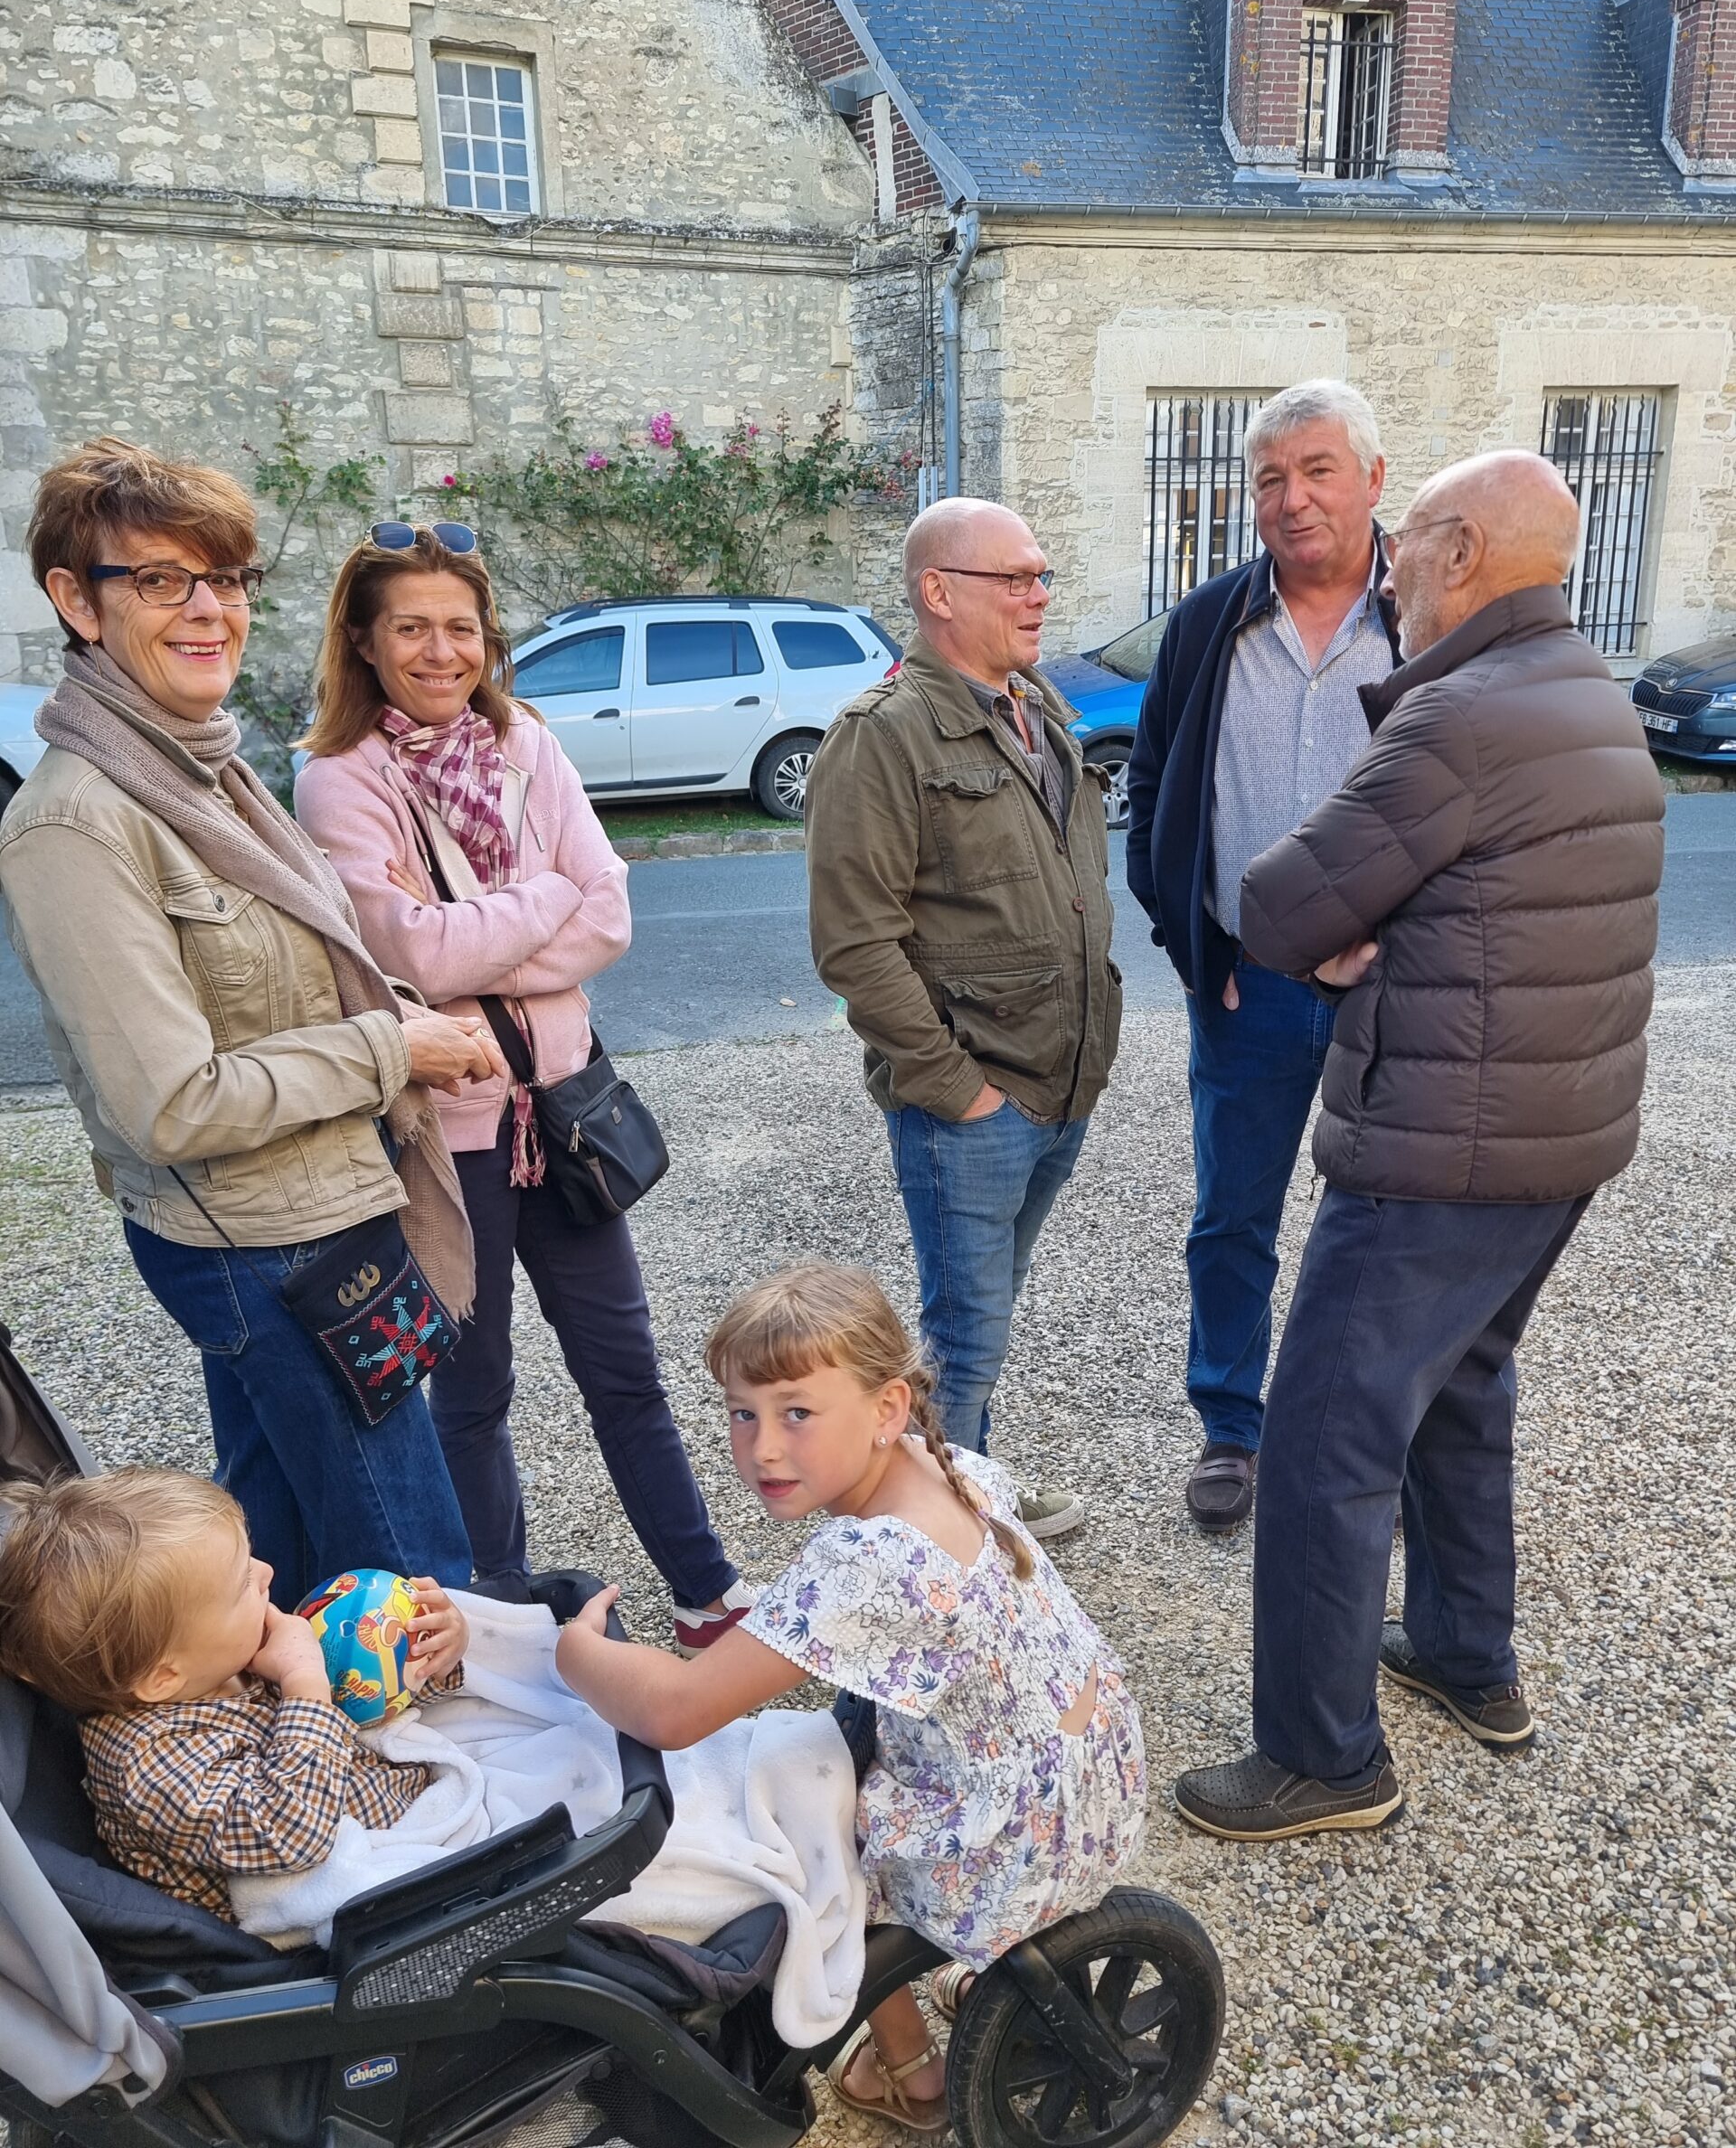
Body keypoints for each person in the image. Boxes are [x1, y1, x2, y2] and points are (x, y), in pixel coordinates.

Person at [1174, 450, 1665, 1842]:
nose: (1388, 571)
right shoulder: (1588, 692)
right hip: (1557, 1135)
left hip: (1441, 1141)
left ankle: (1322, 1758)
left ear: (1460, 552)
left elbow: (1280, 907)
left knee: (1328, 1439)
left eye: (1405, 548)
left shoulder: (1460, 716)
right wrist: (1385, 930)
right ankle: (1464, 1653)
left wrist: (1348, 947)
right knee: (1463, 1388)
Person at [0, 440, 504, 1606]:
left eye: (226, 578)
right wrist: (394, 1047)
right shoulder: (76, 822)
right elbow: (169, 1102)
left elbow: (289, 980)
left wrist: (390, 1011)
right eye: (160, 579)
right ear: (76, 600)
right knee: (412, 1579)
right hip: (264, 1245)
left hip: (319, 1211)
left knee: (275, 1551)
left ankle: (285, 1719)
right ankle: (423, 1731)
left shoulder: (203, 772)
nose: (209, 609)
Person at [295, 524, 750, 1655]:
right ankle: (491, 1617)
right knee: (473, 1389)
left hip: (565, 1113)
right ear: (364, 640)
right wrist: (544, 895)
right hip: (451, 1135)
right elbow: (410, 950)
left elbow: (611, 912)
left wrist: (487, 930)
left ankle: (707, 1594)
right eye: (411, 627)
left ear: (487, 638)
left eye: (461, 627)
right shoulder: (338, 780)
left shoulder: (526, 743)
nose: (440, 651)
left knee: (626, 1371)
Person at [555, 1263, 1145, 2131]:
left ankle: (911, 2069)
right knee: (814, 1764)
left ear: (887, 1409)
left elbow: (675, 1710)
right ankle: (969, 1970)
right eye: (743, 1413)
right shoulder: (946, 1465)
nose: (762, 1448)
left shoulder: (871, 1565)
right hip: (1083, 1768)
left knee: (814, 1842)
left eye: (796, 1412)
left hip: (1012, 1834)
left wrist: (577, 1654)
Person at [804, 498, 1122, 1540]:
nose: (1039, 596)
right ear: (939, 592)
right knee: (963, 1339)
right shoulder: (882, 736)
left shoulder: (1035, 708)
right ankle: (941, 1538)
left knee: (984, 1318)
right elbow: (855, 944)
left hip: (1059, 1084)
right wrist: (960, 1090)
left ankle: (962, 1486)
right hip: (976, 1102)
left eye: (1042, 576)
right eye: (1014, 578)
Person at [1125, 381, 1401, 1534]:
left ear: (1373, 478)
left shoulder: (1430, 619)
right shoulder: (1207, 625)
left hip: (1397, 995)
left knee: (1388, 1224)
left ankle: (1366, 1437)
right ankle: (1231, 1428)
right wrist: (1195, 949)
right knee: (1233, 1219)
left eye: (1318, 470)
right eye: (1270, 478)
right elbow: (1151, 798)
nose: (1293, 499)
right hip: (1248, 990)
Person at [0, 1466, 467, 1920]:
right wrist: (303, 1682)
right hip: (361, 1885)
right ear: (162, 1678)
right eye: (242, 1582)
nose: (267, 1572)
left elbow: (356, 1698)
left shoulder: (216, 1656)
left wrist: (429, 1658)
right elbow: (292, 1834)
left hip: (400, 1805)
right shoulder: (150, 1767)